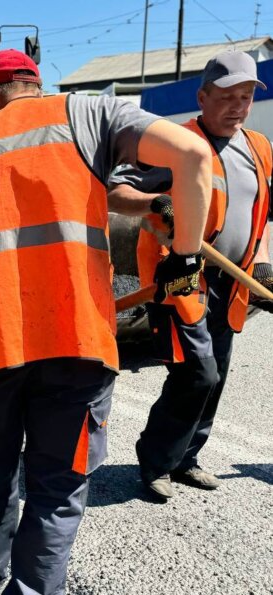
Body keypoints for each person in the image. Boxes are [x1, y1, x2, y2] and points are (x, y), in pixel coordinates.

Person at [0, 50, 212, 595]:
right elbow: (193, 157)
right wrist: (185, 258)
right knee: (57, 487)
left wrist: (141, 206)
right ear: (35, 83)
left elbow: (45, 207)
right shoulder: (87, 114)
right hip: (73, 340)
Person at [108, 51, 273, 500]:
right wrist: (153, 205)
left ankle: (187, 458)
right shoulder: (174, 144)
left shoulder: (258, 146)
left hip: (233, 281)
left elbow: (258, 210)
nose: (237, 106)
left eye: (245, 96)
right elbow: (116, 190)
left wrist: (263, 268)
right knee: (196, 375)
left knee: (216, 372)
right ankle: (156, 462)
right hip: (182, 279)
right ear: (202, 97)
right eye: (227, 96)